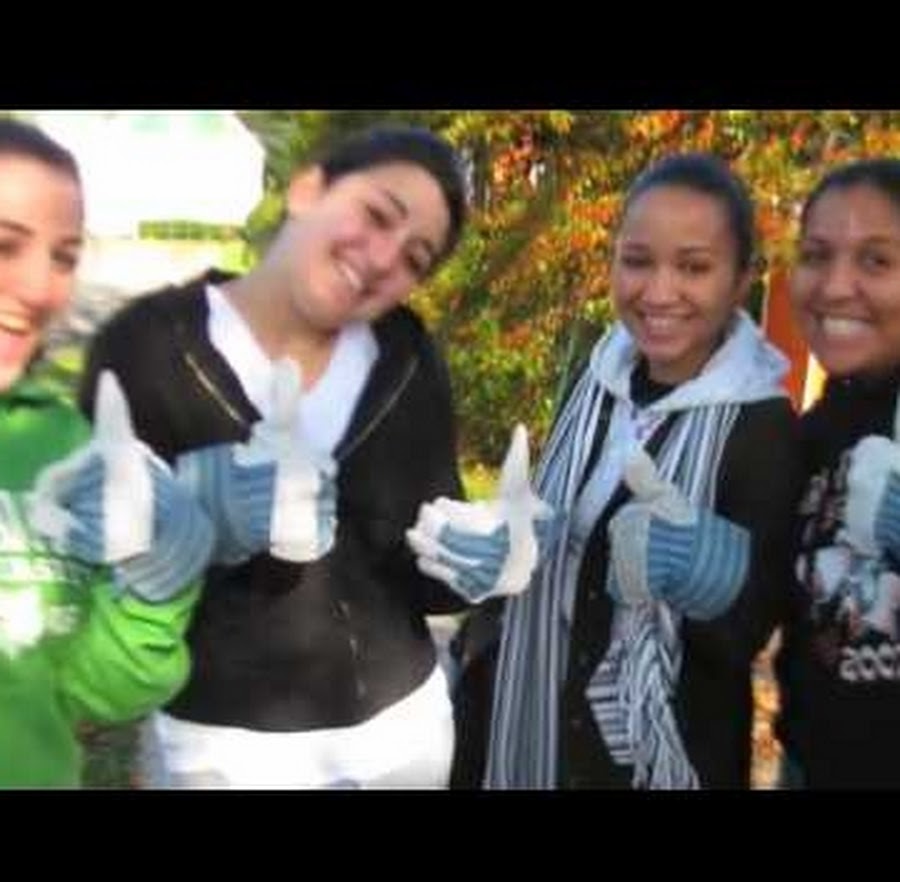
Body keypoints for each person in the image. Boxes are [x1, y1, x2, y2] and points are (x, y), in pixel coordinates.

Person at [79, 124, 477, 789]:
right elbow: (89, 569)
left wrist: (469, 562)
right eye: (377, 215)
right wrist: (191, 515)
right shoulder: (147, 349)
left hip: (406, 739)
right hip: (225, 754)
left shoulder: (407, 357)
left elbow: (428, 566)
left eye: (415, 258)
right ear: (307, 189)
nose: (385, 258)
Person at [445, 152, 804, 789]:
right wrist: (502, 546)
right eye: (638, 261)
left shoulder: (764, 424)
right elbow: (557, 532)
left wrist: (702, 570)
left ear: (741, 278)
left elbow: (750, 628)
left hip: (656, 757)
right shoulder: (598, 377)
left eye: (694, 267)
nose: (658, 292)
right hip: (531, 729)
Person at [0, 117, 216, 787]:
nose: (40, 289)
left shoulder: (67, 447)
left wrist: (157, 594)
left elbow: (86, 691)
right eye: (5, 245)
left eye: (63, 257)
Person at [774, 158, 900, 789]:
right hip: (808, 766)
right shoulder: (813, 431)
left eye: (876, 261)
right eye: (816, 256)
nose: (835, 285)